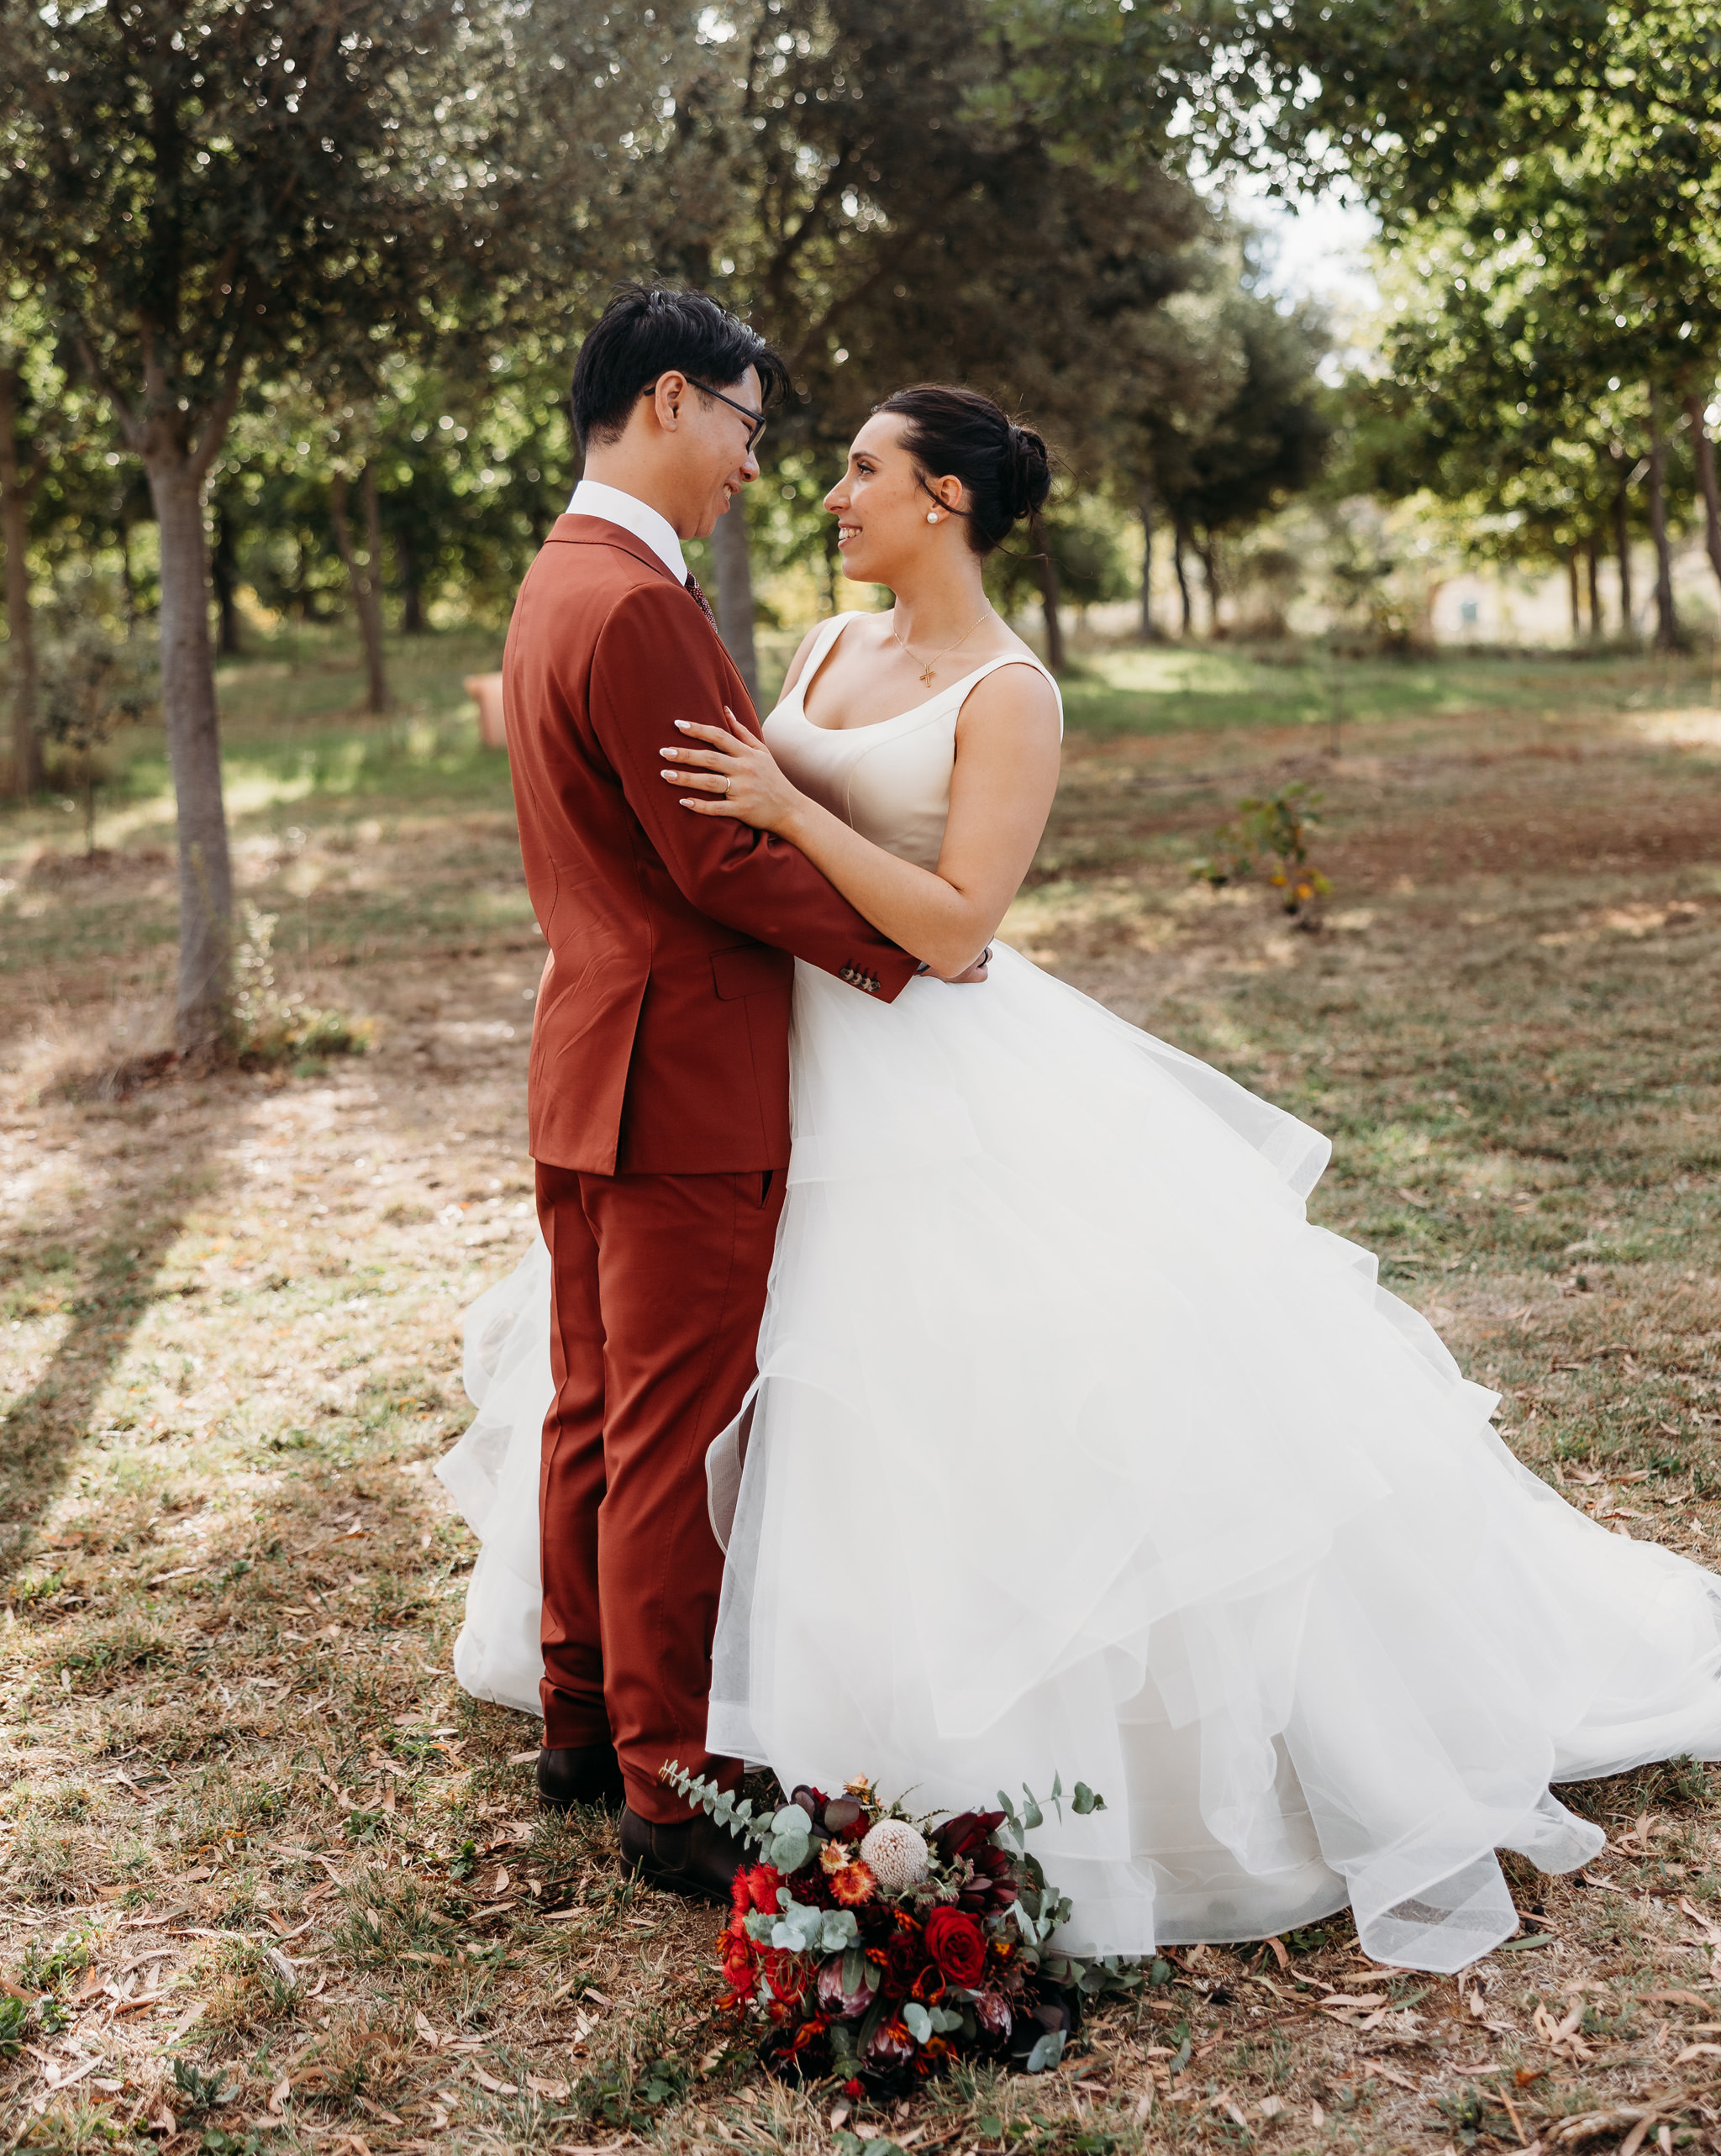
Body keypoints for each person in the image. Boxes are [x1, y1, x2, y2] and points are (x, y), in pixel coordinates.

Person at [446, 379, 1721, 1973]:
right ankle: (676, 1705)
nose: (829, 492)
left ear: (945, 501)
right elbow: (723, 838)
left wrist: (785, 810)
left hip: (921, 1061)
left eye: (862, 470)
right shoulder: (823, 649)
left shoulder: (1014, 692)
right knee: (720, 1395)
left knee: (937, 1400)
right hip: (767, 1062)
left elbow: (955, 927)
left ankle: (864, 1723)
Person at [474, 281, 921, 1903]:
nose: (753, 461)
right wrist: (909, 945)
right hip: (683, 1080)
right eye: (745, 423)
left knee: (595, 1410)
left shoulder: (558, 579)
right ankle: (667, 1784)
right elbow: (717, 860)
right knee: (670, 1428)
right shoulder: (640, 603)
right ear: (672, 399)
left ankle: (582, 1719)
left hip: (590, 1055)